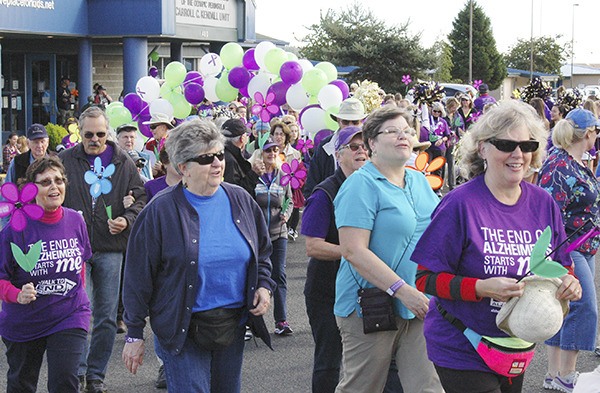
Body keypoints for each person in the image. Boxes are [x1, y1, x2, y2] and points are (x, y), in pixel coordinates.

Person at [411, 100, 581, 393]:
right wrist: (481, 288)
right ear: (483, 148)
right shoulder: (460, 204)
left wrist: (569, 284)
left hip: (516, 344)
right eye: (505, 144)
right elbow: (425, 278)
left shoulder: (543, 203)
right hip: (462, 343)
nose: (518, 154)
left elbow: (560, 265)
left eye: (527, 146)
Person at [122, 119, 275, 393]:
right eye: (206, 158)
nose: (217, 163)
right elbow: (137, 275)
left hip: (232, 323)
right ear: (183, 168)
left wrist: (263, 285)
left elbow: (262, 252)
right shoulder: (160, 211)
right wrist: (134, 333)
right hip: (182, 327)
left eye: (219, 154)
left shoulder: (240, 199)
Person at [333, 105, 442, 392]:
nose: (403, 136)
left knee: (428, 387)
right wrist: (402, 291)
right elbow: (353, 250)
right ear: (372, 143)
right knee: (362, 387)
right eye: (392, 131)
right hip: (371, 305)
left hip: (420, 302)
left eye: (406, 131)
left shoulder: (419, 180)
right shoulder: (360, 185)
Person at [59, 106, 146, 393]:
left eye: (99, 134)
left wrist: (126, 219)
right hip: (74, 248)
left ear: (107, 132)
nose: (94, 139)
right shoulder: (64, 160)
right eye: (88, 134)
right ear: (79, 134)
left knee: (107, 316)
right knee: (78, 313)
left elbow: (142, 197)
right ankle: (78, 371)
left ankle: (96, 375)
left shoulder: (123, 161)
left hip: (111, 248)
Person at [0, 156, 92, 393]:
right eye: (46, 182)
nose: (54, 186)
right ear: (31, 189)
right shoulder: (15, 229)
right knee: (21, 385)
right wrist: (16, 294)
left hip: (69, 313)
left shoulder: (76, 220)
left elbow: (80, 263)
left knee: (65, 382)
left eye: (59, 180)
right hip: (25, 320)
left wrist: (76, 294)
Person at [302, 126, 370, 392]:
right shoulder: (324, 193)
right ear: (338, 155)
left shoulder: (374, 187)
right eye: (354, 147)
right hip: (327, 291)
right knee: (329, 362)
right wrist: (353, 252)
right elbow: (312, 246)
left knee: (371, 362)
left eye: (365, 146)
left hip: (367, 291)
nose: (361, 151)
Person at [538, 108, 600, 393]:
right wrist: (554, 256)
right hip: (568, 247)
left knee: (564, 308)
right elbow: (548, 212)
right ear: (587, 134)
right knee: (584, 307)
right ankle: (566, 374)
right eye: (596, 131)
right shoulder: (558, 164)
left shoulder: (574, 161)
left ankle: (553, 374)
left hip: (584, 244)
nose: (597, 136)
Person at [249, 137, 294, 335]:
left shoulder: (282, 175)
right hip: (257, 236)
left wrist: (286, 213)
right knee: (253, 276)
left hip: (278, 233)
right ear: (262, 153)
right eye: (268, 150)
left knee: (279, 275)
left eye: (275, 150)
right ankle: (251, 323)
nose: (272, 154)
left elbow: (290, 200)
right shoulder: (254, 176)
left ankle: (281, 321)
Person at [304, 97, 368, 198]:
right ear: (338, 121)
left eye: (355, 122)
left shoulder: (371, 145)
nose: (350, 126)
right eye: (345, 122)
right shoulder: (325, 146)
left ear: (362, 122)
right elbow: (312, 183)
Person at [271, 120, 304, 240]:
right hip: (273, 188)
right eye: (276, 134)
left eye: (281, 134)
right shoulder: (268, 151)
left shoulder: (294, 153)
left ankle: (291, 229)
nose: (278, 137)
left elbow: (300, 171)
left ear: (286, 136)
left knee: (291, 206)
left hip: (290, 187)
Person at [222, 118, 264, 196]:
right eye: (246, 135)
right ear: (242, 138)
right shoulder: (230, 160)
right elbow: (236, 192)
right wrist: (253, 174)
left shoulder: (221, 153)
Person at [143, 113, 174, 178]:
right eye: (150, 127)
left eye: (153, 127)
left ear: (163, 127)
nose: (151, 130)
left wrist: (162, 169)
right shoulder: (149, 145)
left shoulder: (173, 144)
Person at [444, 97, 463, 190]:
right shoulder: (443, 115)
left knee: (451, 162)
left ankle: (452, 185)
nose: (454, 109)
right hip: (444, 140)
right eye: (453, 107)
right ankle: (439, 184)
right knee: (442, 163)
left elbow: (459, 127)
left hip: (453, 141)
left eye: (456, 107)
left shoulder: (457, 116)